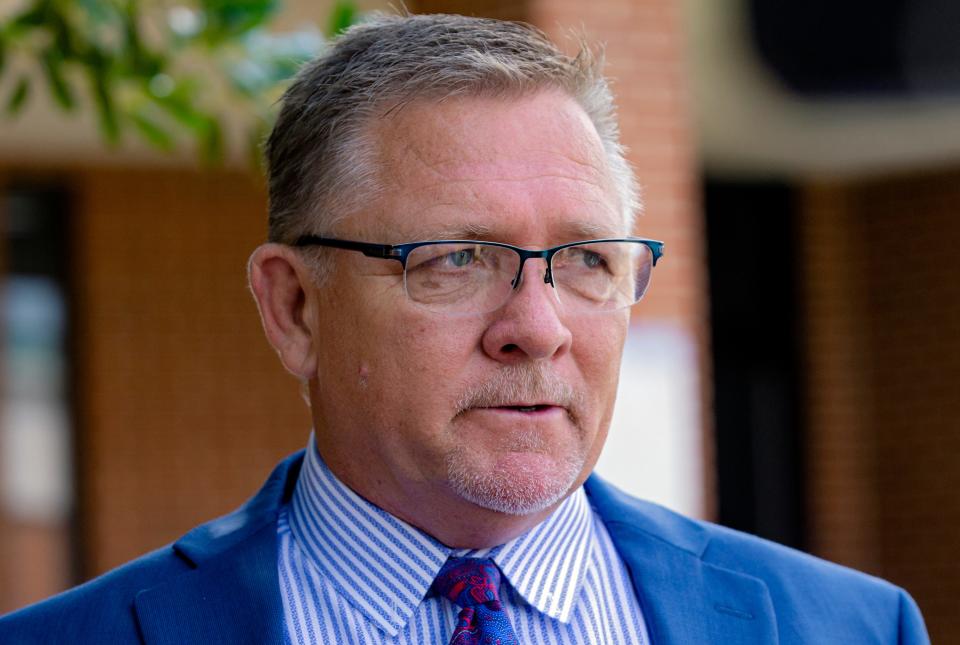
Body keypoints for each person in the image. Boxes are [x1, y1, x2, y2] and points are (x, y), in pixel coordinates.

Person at [0, 13, 929, 645]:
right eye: (455, 260)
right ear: (295, 309)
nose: (538, 328)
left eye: (585, 261)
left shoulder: (847, 625)